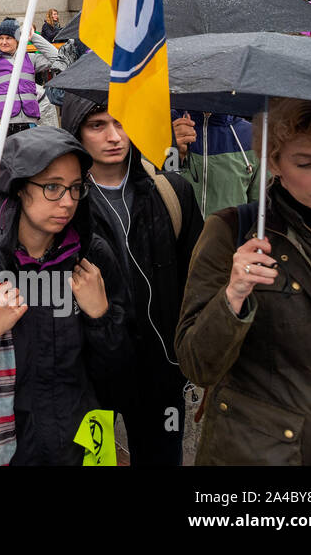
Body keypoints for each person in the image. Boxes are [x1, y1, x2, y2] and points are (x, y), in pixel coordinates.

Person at [176, 99, 311, 465]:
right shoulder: (231, 232)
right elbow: (196, 364)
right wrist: (233, 297)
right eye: (306, 163)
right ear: (276, 163)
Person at [0, 127, 132, 465]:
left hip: (83, 450)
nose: (67, 201)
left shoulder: (91, 259)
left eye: (75, 188)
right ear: (19, 189)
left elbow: (120, 379)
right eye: (52, 187)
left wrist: (102, 319)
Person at [61, 94, 202, 466]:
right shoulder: (62, 205)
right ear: (76, 133)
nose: (113, 136)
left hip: (160, 375)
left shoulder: (172, 192)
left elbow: (197, 279)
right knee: (96, 462)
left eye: (120, 123)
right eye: (98, 125)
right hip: (92, 377)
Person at [0, 18, 61, 139]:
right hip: (0, 123)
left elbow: (57, 58)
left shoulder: (31, 59)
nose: (4, 42)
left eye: (8, 38)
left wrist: (33, 37)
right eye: (1, 38)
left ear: (17, 40)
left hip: (27, 122)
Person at [173, 110, 258, 217]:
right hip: (172, 231)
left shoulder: (252, 135)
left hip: (227, 233)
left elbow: (261, 209)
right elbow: (150, 190)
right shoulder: (162, 124)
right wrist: (169, 151)